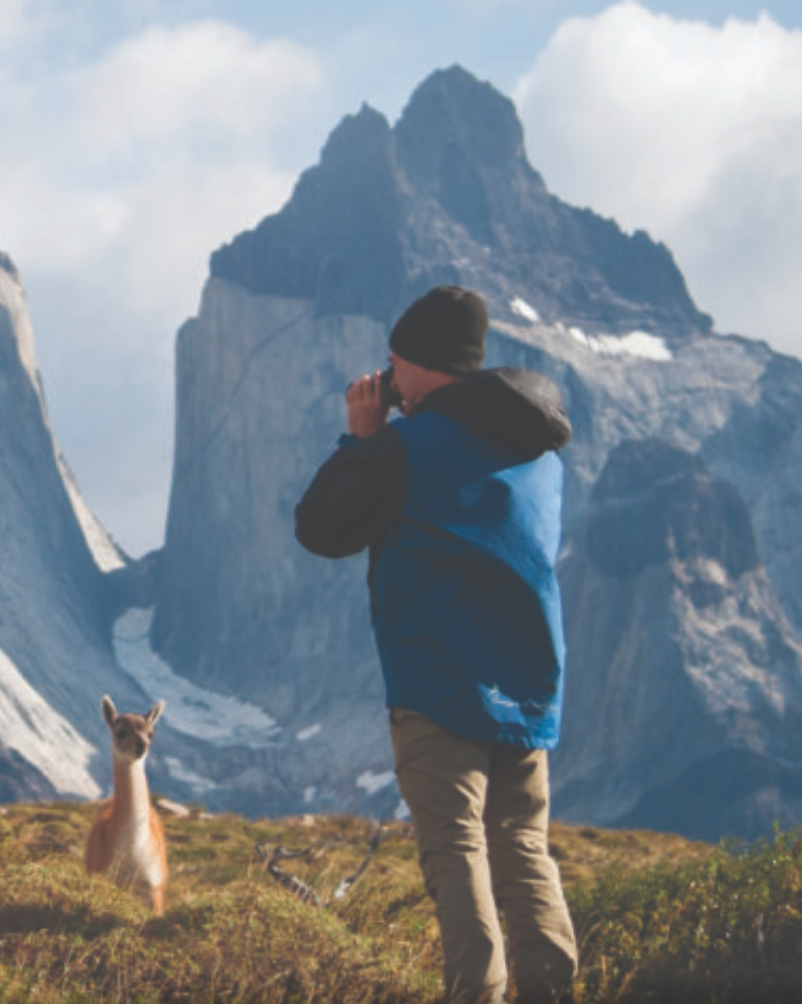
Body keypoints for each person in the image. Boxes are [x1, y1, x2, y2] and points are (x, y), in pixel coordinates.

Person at [294, 285, 578, 1004]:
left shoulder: (406, 448)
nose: (388, 379)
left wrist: (360, 440)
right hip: (529, 687)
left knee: (456, 850)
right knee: (523, 847)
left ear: (422, 367)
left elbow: (322, 528)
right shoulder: (541, 454)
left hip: (439, 684)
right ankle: (551, 990)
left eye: (395, 364)